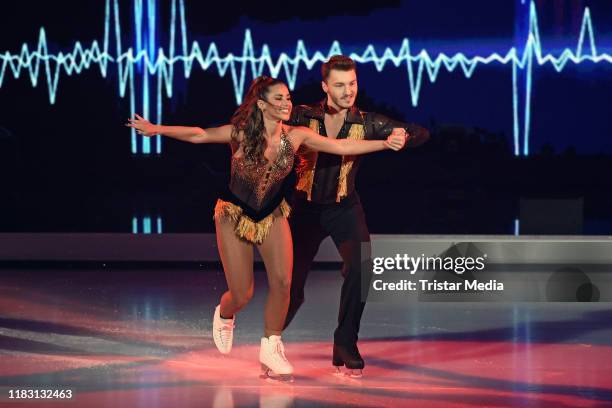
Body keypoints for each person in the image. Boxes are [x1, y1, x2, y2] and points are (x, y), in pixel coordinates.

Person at [126, 75, 407, 380]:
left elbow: (340, 146)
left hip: (272, 214)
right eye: (279, 99)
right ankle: (225, 313)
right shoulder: (242, 133)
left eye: (288, 98)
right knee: (242, 293)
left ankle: (271, 346)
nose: (287, 103)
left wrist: (384, 143)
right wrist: (157, 130)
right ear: (261, 104)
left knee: (284, 283)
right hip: (234, 213)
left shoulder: (296, 136)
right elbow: (199, 135)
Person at [284, 55, 430, 377]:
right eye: (340, 84)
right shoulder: (301, 116)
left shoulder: (369, 122)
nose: (348, 90)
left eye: (352, 83)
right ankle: (271, 340)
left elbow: (419, 132)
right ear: (325, 87)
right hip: (303, 210)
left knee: (362, 268)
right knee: (291, 289)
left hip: (344, 208)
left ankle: (345, 344)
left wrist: (403, 138)